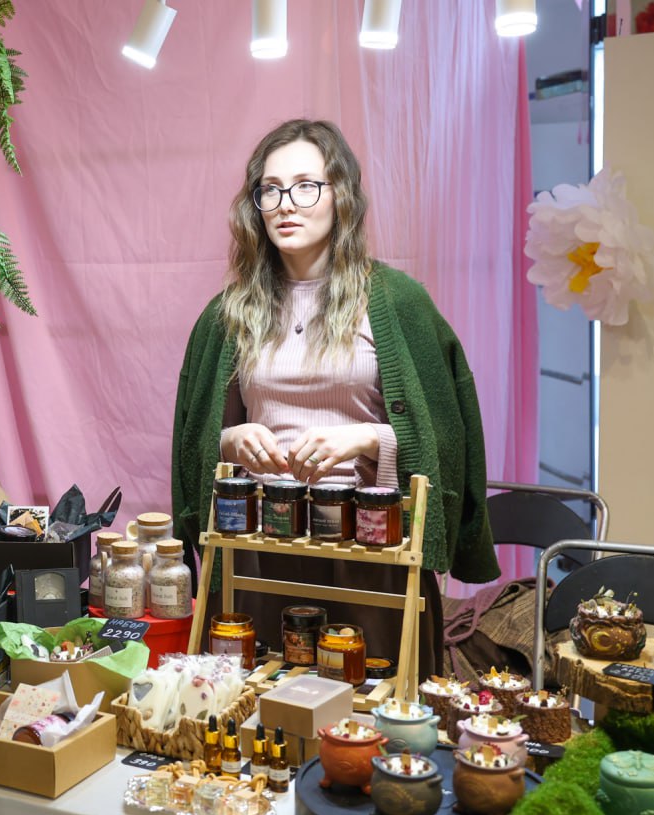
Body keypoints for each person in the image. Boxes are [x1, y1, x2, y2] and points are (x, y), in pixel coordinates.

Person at [171, 119, 499, 679]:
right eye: (270, 189)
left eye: (306, 186)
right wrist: (231, 440)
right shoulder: (226, 315)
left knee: (370, 702)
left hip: (370, 548)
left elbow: (447, 440)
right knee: (259, 698)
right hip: (262, 547)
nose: (285, 204)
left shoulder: (398, 304)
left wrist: (367, 439)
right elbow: (194, 443)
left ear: (340, 194)